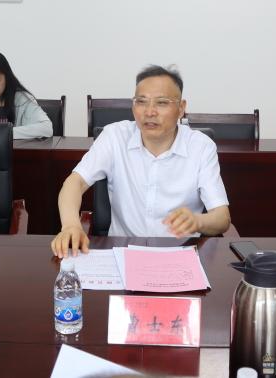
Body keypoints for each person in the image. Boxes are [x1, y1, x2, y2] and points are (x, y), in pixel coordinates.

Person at [51, 65, 230, 257]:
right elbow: (75, 182)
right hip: (121, 253)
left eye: (162, 103)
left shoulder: (201, 147)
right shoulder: (114, 136)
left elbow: (222, 218)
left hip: (179, 255)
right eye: (141, 102)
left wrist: (197, 221)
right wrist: (70, 225)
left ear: (181, 108)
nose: (150, 112)